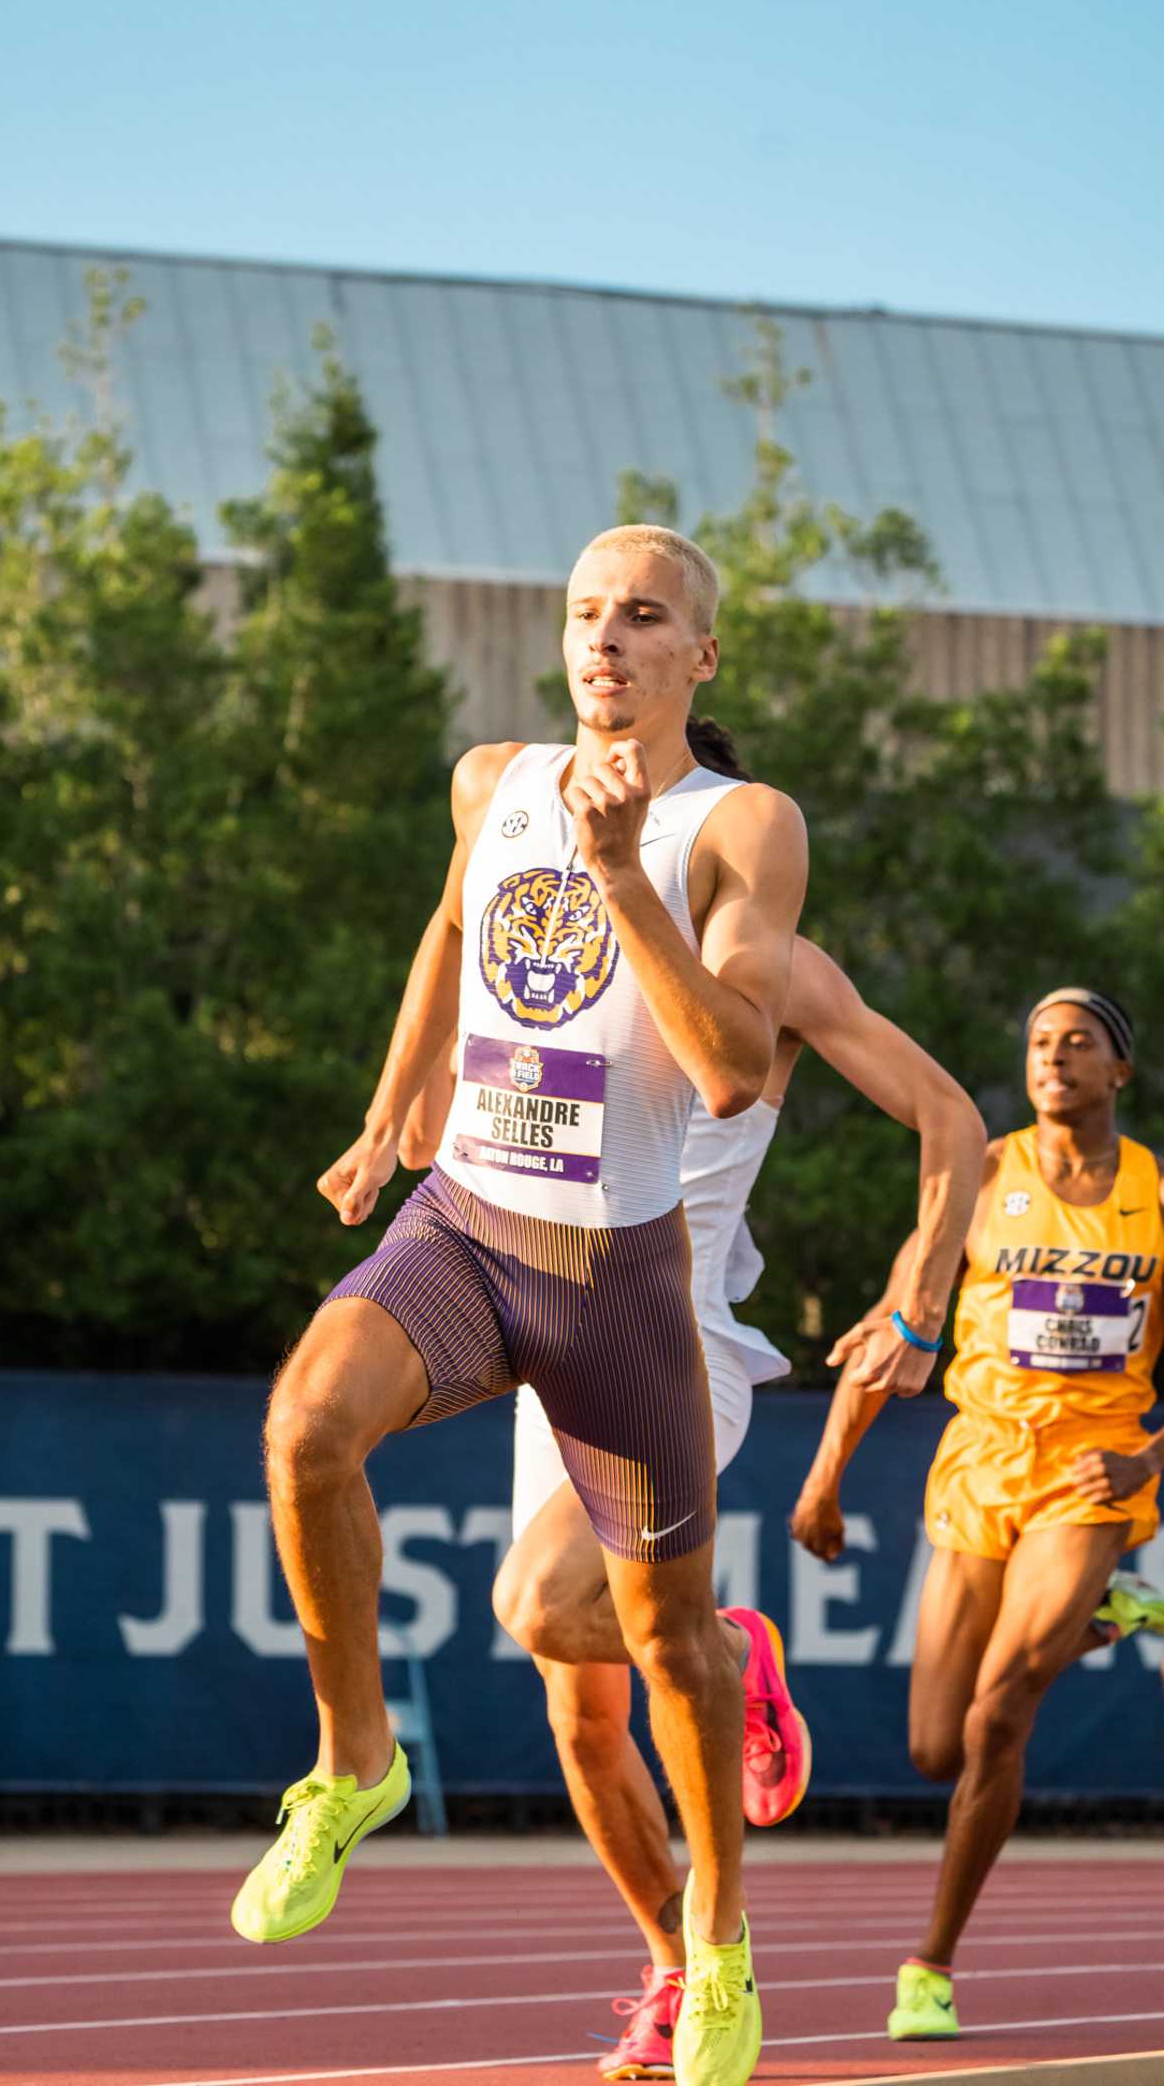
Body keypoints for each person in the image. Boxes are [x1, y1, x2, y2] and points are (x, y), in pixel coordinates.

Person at [231, 523, 809, 2086]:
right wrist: (387, 1102)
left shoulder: (734, 825)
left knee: (665, 1647)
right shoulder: (492, 781)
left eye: (642, 617)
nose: (604, 640)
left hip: (619, 1280)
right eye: (582, 615)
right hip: (469, 1223)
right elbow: (447, 926)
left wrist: (620, 872)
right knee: (301, 1430)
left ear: (702, 655)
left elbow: (732, 1067)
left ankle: (721, 1943)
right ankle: (355, 1764)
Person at [399, 819, 986, 2080]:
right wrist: (418, 1096)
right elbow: (476, 1017)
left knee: (543, 1604)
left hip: (677, 1334)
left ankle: (722, 1647)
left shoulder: (774, 975)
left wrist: (916, 1303)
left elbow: (949, 1118)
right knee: (577, 1709)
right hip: (539, 1335)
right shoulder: (551, 936)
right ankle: (677, 1969)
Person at [792, 988, 1164, 2043]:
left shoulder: (1153, 1192)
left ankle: (929, 1964)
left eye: (1077, 1042)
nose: (1052, 1058)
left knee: (1001, 1709)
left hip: (1089, 1473)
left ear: (1116, 1072)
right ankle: (1105, 1618)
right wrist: (821, 1479)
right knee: (933, 1749)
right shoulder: (983, 1173)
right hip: (978, 1461)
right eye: (1038, 1041)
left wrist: (1145, 1454)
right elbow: (895, 1324)